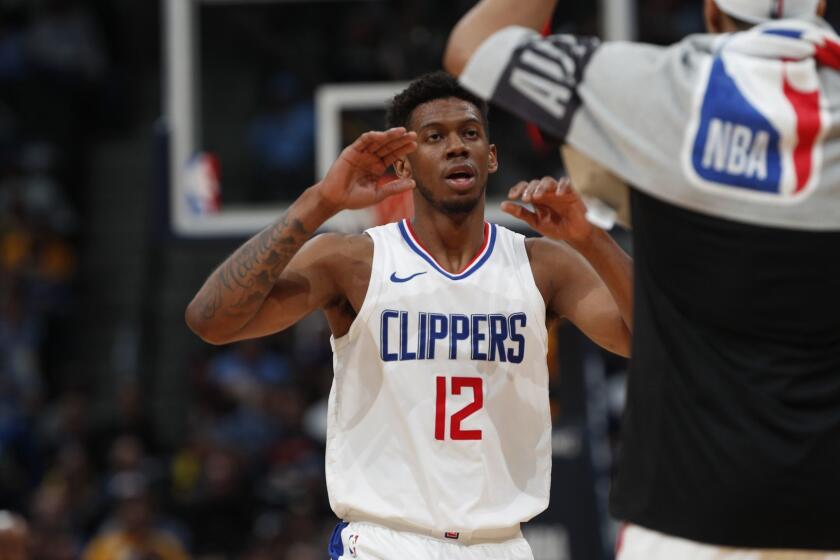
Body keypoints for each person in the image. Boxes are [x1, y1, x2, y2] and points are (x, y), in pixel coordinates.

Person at [445, 0, 840, 558]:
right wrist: (591, 240)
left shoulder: (658, 90)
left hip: (686, 515)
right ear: (819, 7)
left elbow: (476, 43)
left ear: (711, 12)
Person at [186, 71, 632, 560]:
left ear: (491, 156)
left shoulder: (542, 265)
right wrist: (322, 201)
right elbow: (211, 320)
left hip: (499, 544)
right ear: (403, 164)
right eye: (434, 137)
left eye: (470, 133)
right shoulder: (353, 261)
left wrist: (591, 238)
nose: (457, 146)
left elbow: (651, 345)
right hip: (385, 542)